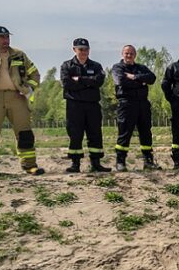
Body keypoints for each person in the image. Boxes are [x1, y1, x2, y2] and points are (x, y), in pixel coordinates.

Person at [0, 26, 44, 175]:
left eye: (7, 37)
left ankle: (30, 166)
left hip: (17, 98)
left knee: (25, 133)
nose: (6, 40)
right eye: (2, 37)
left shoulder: (19, 55)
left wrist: (27, 89)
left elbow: (34, 74)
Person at [60, 38, 109, 173]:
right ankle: (75, 164)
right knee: (75, 134)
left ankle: (96, 163)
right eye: (80, 49)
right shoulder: (67, 66)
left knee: (95, 133)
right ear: (74, 49)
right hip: (74, 105)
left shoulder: (96, 66)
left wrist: (80, 80)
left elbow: (98, 81)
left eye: (86, 49)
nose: (83, 52)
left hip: (92, 105)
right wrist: (88, 83)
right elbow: (67, 83)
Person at [111, 45, 160, 171]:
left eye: (131, 53)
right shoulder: (118, 68)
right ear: (122, 54)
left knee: (146, 132)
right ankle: (120, 161)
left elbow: (152, 78)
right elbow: (121, 81)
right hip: (126, 103)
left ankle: (148, 161)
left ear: (135, 55)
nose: (129, 55)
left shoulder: (141, 68)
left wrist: (134, 77)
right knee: (125, 132)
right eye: (127, 53)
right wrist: (141, 82)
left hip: (143, 104)